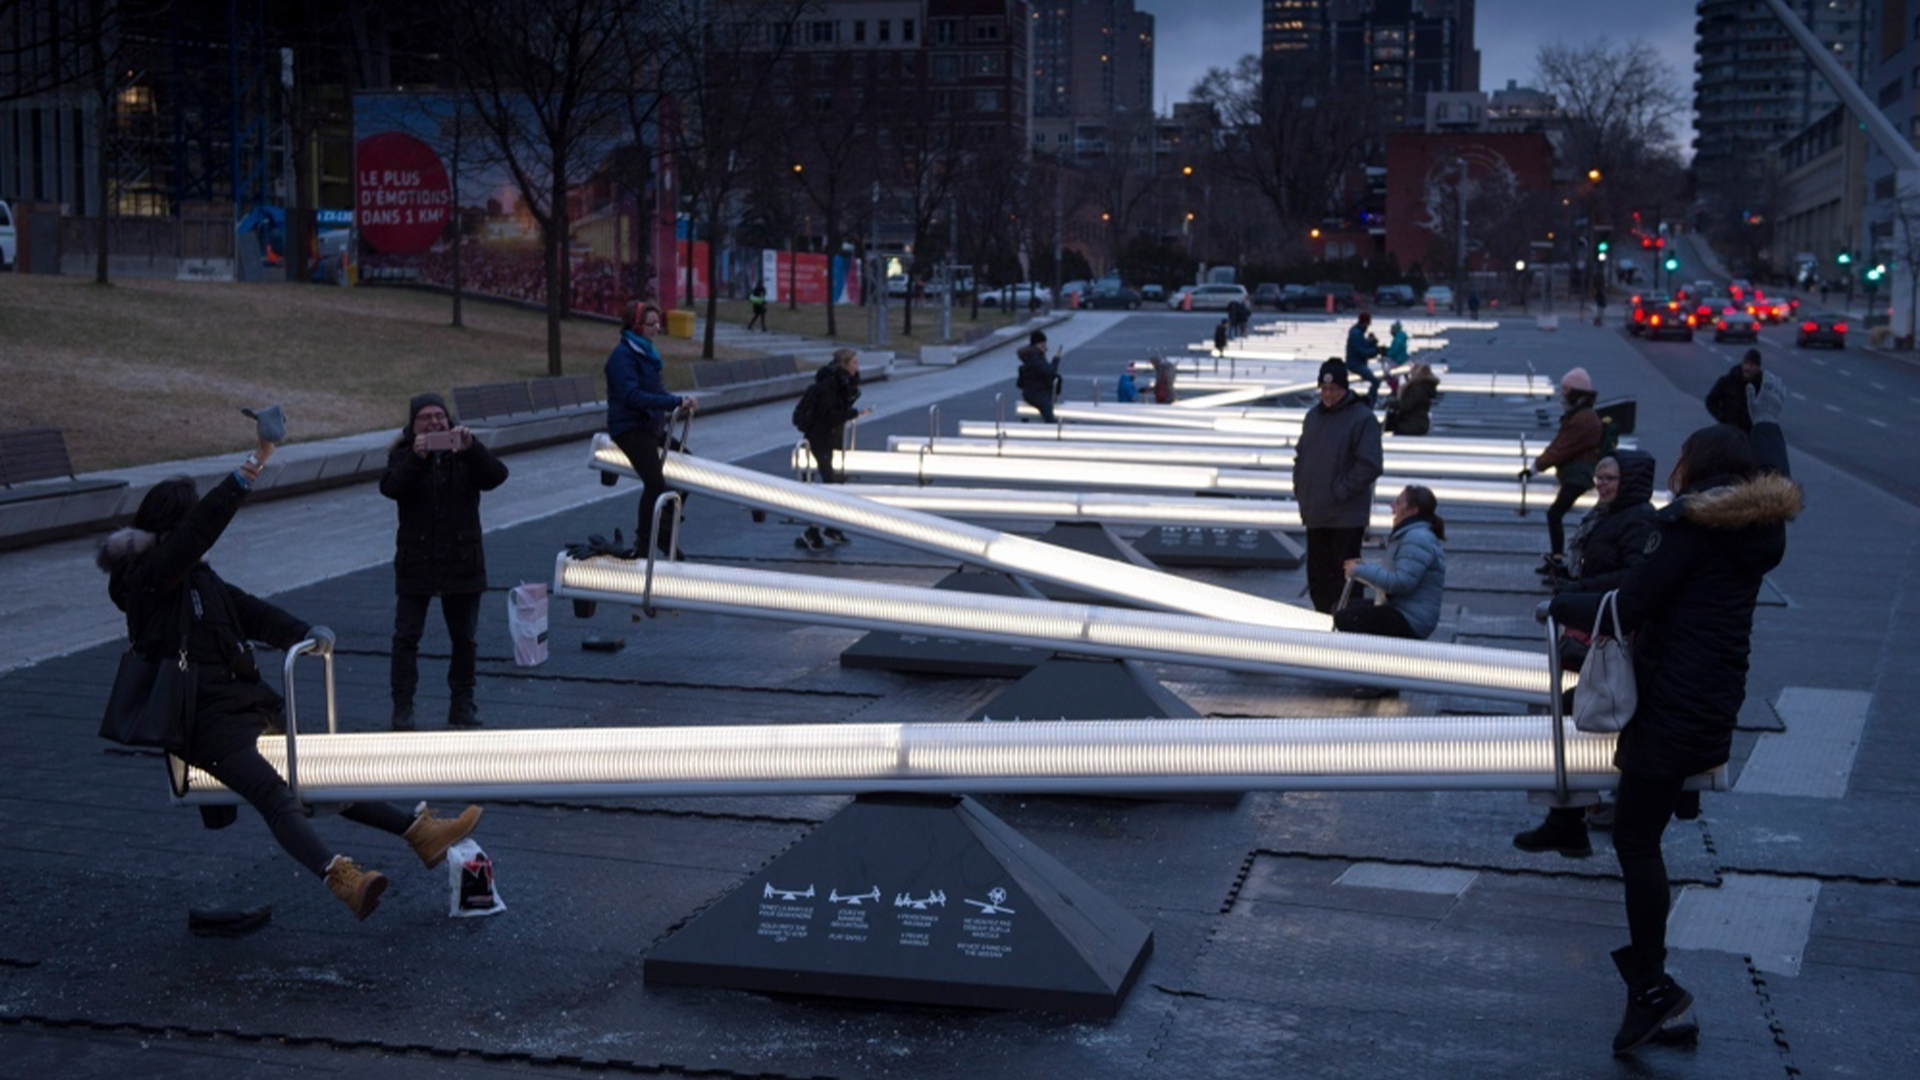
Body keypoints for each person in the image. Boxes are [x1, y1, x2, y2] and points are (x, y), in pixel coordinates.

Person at [96, 441, 483, 921]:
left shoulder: (197, 579)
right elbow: (198, 534)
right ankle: (341, 878)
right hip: (200, 721)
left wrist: (303, 632)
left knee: (321, 774)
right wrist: (249, 468)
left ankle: (419, 834)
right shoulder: (147, 580)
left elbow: (251, 611)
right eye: (188, 526)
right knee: (275, 793)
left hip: (244, 706)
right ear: (174, 530)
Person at [1531, 381, 1798, 1056]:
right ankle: (1657, 997)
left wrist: (1564, 603)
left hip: (1672, 705)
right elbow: (1774, 462)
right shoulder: (1759, 528)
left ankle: (1652, 987)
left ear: (1695, 469)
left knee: (1634, 840)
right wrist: (1762, 419)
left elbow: (1631, 605)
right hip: (1711, 698)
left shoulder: (1688, 528)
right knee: (1643, 835)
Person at [380, 393, 509, 731]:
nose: (435, 422)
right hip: (416, 559)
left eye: (440, 416)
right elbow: (391, 487)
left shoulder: (464, 450)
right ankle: (403, 708)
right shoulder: (403, 454)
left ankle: (462, 705)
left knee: (464, 639)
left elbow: (497, 476)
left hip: (461, 558)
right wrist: (418, 458)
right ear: (414, 424)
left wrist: (472, 449)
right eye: (426, 417)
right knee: (406, 637)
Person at [1338, 485, 1447, 697]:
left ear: (1413, 510)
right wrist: (1363, 569)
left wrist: (1360, 570)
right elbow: (1395, 573)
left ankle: (1381, 678)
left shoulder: (1417, 538)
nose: (1392, 507)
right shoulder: (1411, 534)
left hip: (1411, 617)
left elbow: (1400, 583)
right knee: (1343, 610)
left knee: (1347, 618)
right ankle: (1380, 675)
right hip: (1404, 610)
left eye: (1398, 502)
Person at [607, 300, 698, 555]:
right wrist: (674, 402)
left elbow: (655, 393)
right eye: (651, 324)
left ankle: (664, 531)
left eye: (658, 324)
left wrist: (678, 401)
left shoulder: (646, 354)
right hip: (630, 428)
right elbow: (633, 396)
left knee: (688, 470)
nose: (657, 329)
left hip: (650, 426)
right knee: (655, 482)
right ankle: (645, 544)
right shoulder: (623, 356)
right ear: (636, 326)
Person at [1294, 358, 1384, 614]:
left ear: (1345, 388)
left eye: (1333, 389)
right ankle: (1324, 626)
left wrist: (1340, 492)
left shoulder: (1362, 419)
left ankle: (1348, 631)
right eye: (1324, 389)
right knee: (1318, 580)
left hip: (1345, 517)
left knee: (1345, 583)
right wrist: (1301, 489)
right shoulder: (1313, 417)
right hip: (1316, 514)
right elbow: (1301, 456)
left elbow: (1370, 464)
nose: (1328, 395)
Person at [1522, 368, 1604, 573]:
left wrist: (1534, 469)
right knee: (1556, 514)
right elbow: (1559, 445)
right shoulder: (1579, 415)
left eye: (1565, 389)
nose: (1562, 394)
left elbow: (1561, 448)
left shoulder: (1583, 419)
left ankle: (1558, 560)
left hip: (1579, 476)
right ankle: (1557, 558)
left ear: (1576, 392)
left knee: (1555, 514)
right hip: (1575, 474)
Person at [792, 348, 871, 549]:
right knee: (830, 485)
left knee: (833, 483)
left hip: (829, 437)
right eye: (854, 363)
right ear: (844, 364)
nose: (857, 366)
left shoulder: (842, 383)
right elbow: (829, 415)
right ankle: (813, 530)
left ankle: (829, 527)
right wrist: (853, 413)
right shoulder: (830, 385)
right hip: (820, 438)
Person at [1704, 348, 1763, 432]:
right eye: (1746, 364)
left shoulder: (1761, 386)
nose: (1748, 368)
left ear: (1757, 368)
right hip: (1729, 431)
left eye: (1752, 365)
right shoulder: (1727, 381)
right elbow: (1710, 401)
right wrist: (1723, 417)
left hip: (1750, 434)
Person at [1016, 329, 1062, 423]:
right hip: (1037, 392)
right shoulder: (1035, 357)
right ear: (1039, 344)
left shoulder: (1034, 355)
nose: (1045, 347)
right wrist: (1056, 359)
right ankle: (1052, 427)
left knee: (1047, 407)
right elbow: (1048, 371)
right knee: (1047, 411)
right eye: (1044, 344)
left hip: (1033, 391)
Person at [1383, 362, 1440, 436]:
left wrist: (1392, 402)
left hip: (1410, 424)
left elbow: (1406, 406)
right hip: (1419, 423)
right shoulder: (1424, 387)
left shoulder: (1417, 388)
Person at [1344, 311, 1383, 404]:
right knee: (1375, 381)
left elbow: (1363, 345)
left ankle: (1368, 400)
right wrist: (1376, 351)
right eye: (1368, 324)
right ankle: (1369, 402)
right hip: (1355, 364)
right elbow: (1362, 351)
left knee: (1375, 380)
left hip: (1358, 363)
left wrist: (1372, 343)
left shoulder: (1357, 332)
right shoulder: (1356, 334)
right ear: (1364, 323)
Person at [1382, 319, 1410, 392]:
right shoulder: (1400, 337)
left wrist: (1386, 353)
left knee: (1388, 373)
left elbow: (1394, 350)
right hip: (1403, 359)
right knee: (1404, 375)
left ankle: (1395, 389)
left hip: (1398, 360)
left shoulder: (1398, 339)